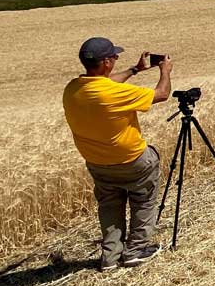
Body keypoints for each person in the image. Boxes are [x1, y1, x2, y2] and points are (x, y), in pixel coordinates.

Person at [62, 37, 173, 271]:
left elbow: (105, 83)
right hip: (132, 161)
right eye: (113, 57)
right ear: (105, 63)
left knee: (109, 205)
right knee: (143, 200)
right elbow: (162, 94)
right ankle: (136, 250)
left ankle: (111, 256)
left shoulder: (72, 89)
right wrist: (165, 70)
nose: (115, 60)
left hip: (97, 163)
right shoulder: (112, 94)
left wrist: (135, 70)